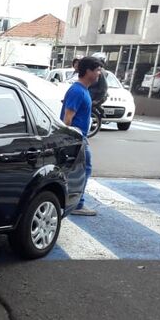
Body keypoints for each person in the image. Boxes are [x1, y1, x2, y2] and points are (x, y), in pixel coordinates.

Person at [60, 55, 103, 216]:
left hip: (80, 138)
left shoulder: (82, 90)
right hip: (76, 139)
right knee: (83, 169)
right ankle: (77, 203)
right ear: (88, 71)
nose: (99, 73)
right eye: (97, 70)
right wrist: (70, 142)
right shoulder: (77, 91)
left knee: (82, 169)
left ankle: (76, 202)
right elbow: (67, 119)